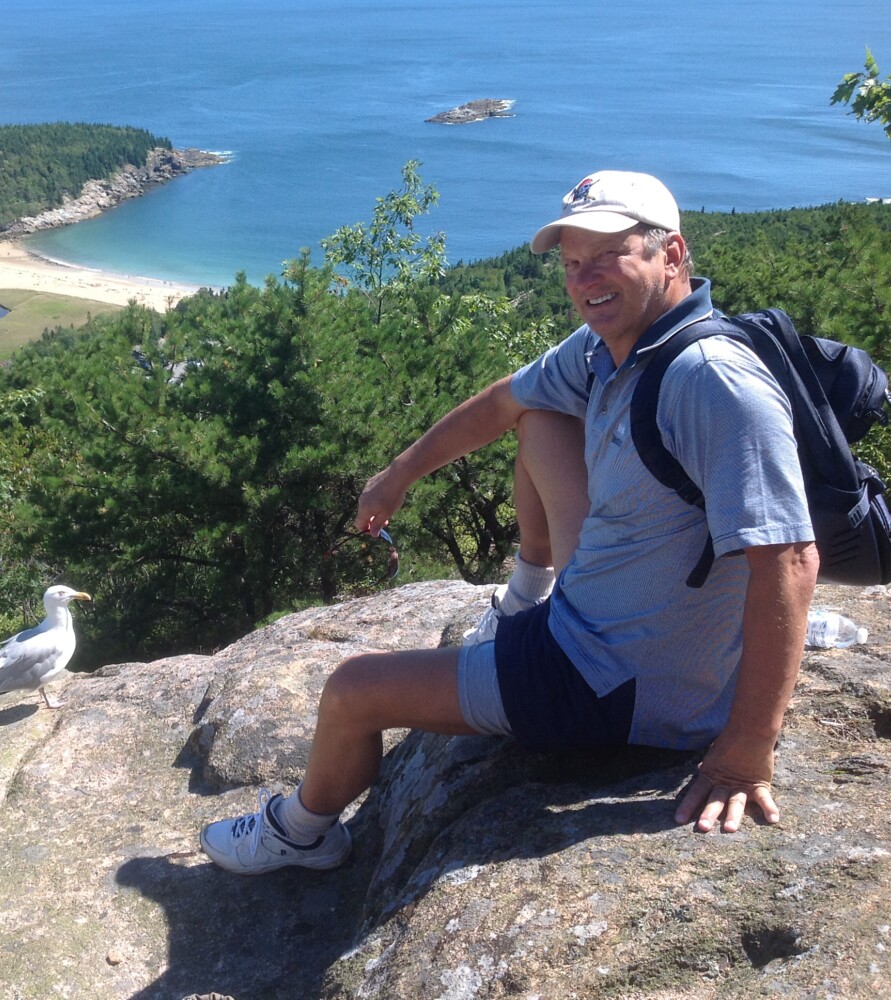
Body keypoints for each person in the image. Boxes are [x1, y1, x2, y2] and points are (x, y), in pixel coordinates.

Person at [200, 170, 820, 875]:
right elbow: (504, 401)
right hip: (605, 620)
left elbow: (790, 560)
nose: (584, 278)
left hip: (612, 683)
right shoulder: (613, 348)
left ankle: (301, 833)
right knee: (539, 417)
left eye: (608, 254)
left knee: (352, 691)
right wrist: (397, 474)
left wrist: (745, 752)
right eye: (571, 262)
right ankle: (528, 595)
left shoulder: (710, 379)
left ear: (671, 254)